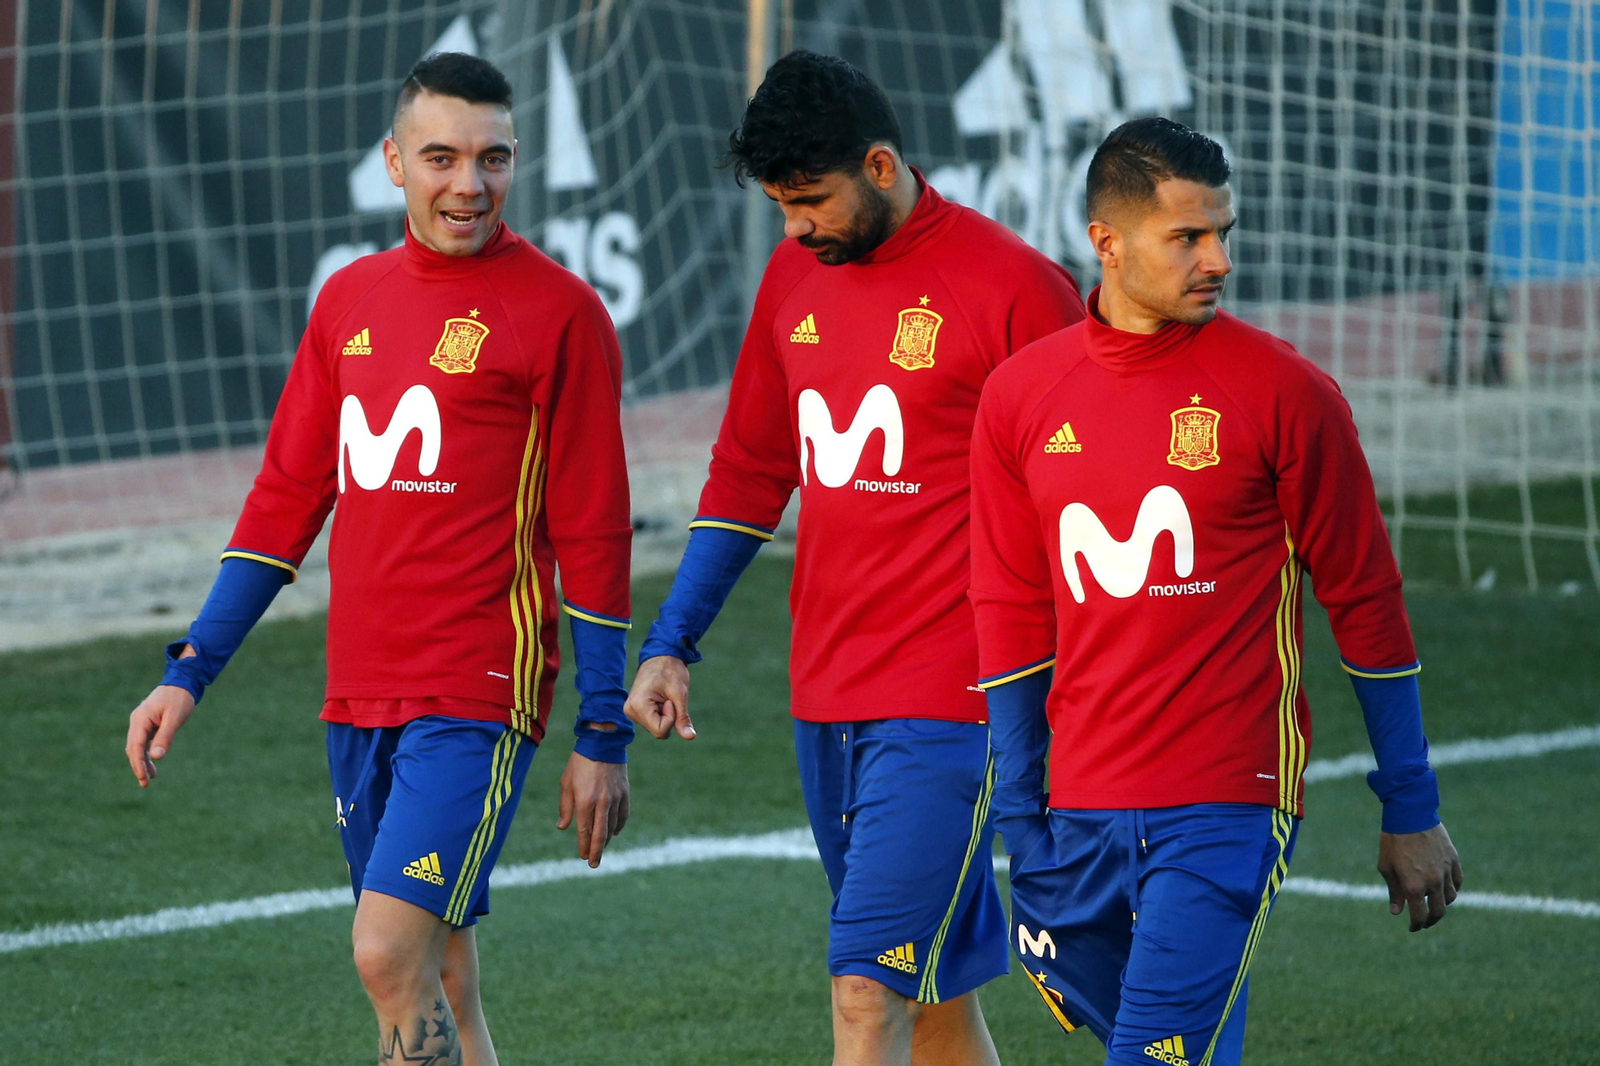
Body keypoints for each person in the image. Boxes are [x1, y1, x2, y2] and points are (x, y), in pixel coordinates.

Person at [122, 52, 635, 1066]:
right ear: (393, 161)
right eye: (441, 157)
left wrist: (602, 729)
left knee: (384, 952)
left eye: (493, 159)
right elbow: (284, 502)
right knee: (439, 972)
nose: (468, 184)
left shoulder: (560, 313)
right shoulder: (348, 301)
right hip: (358, 691)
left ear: (516, 162)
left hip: (476, 690)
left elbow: (594, 531)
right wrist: (190, 669)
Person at [968, 117, 1464, 1066]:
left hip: (1227, 799)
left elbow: (1366, 601)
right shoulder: (1020, 397)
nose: (1219, 260)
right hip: (1077, 805)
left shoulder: (1285, 392)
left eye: (1223, 233)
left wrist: (1410, 802)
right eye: (1188, 237)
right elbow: (1012, 612)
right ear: (1106, 244)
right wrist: (1020, 817)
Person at [624, 51, 1085, 1066]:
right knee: (932, 1003)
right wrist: (672, 641)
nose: (793, 226)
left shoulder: (1015, 290)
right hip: (826, 692)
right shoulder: (798, 273)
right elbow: (750, 472)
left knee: (861, 991)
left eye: (810, 200)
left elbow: (1091, 498)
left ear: (880, 164)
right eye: (781, 205)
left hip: (955, 699)